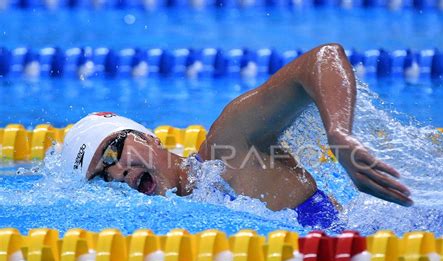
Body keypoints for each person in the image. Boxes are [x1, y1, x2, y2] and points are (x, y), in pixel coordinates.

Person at [61, 43, 413, 228]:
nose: (116, 173)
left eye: (112, 152)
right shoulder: (165, 230)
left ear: (148, 138)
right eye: (101, 177)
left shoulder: (229, 149)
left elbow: (322, 59)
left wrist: (338, 133)